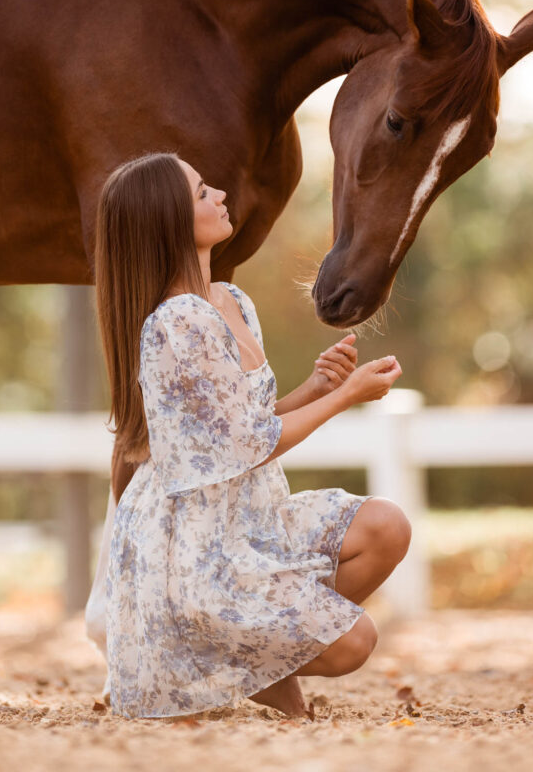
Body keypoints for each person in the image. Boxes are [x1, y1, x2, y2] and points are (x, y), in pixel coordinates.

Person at [86, 151, 409, 721]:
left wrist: (313, 388)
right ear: (168, 221)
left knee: (386, 527)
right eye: (202, 193)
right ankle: (209, 650)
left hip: (253, 520)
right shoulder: (177, 323)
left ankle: (255, 661)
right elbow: (245, 448)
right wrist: (345, 397)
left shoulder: (229, 302)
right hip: (199, 549)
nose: (221, 197)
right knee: (356, 642)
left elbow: (245, 427)